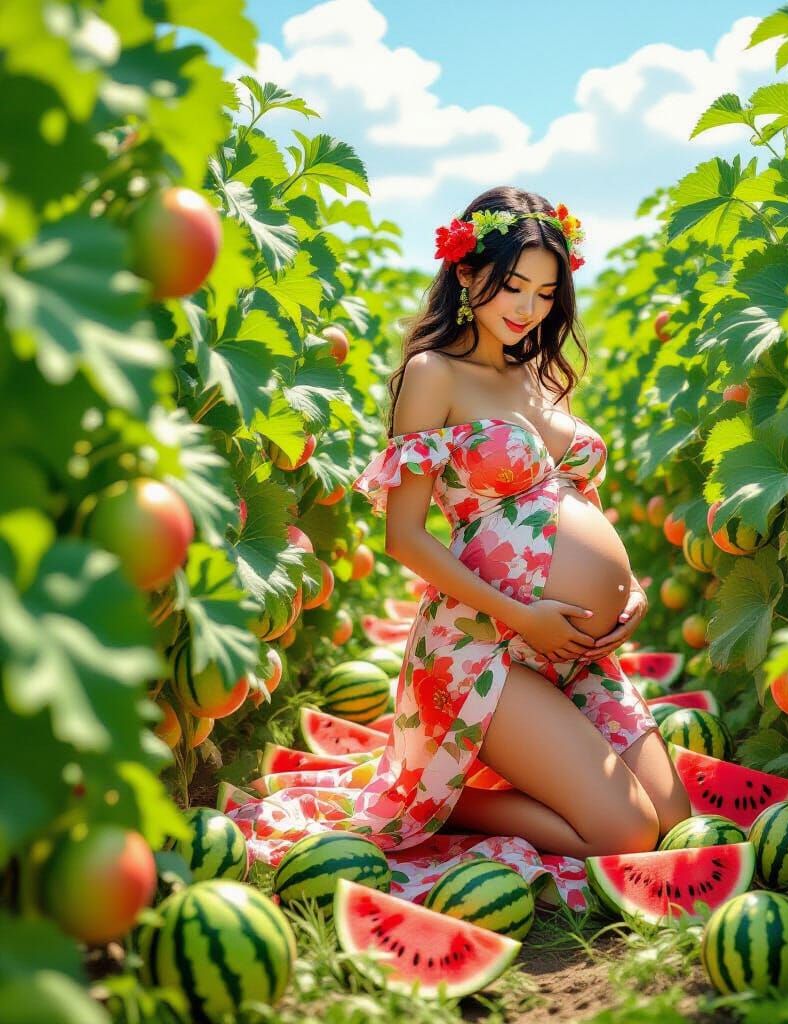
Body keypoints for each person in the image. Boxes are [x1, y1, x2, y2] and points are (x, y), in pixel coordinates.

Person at [228, 186, 691, 913]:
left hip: (575, 650)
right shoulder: (434, 374)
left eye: (546, 293)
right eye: (513, 286)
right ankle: (439, 803)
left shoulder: (542, 373)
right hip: (487, 648)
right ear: (468, 273)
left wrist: (626, 590)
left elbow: (576, 500)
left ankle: (461, 787)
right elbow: (404, 536)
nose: (528, 308)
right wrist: (524, 615)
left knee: (674, 819)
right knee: (627, 834)